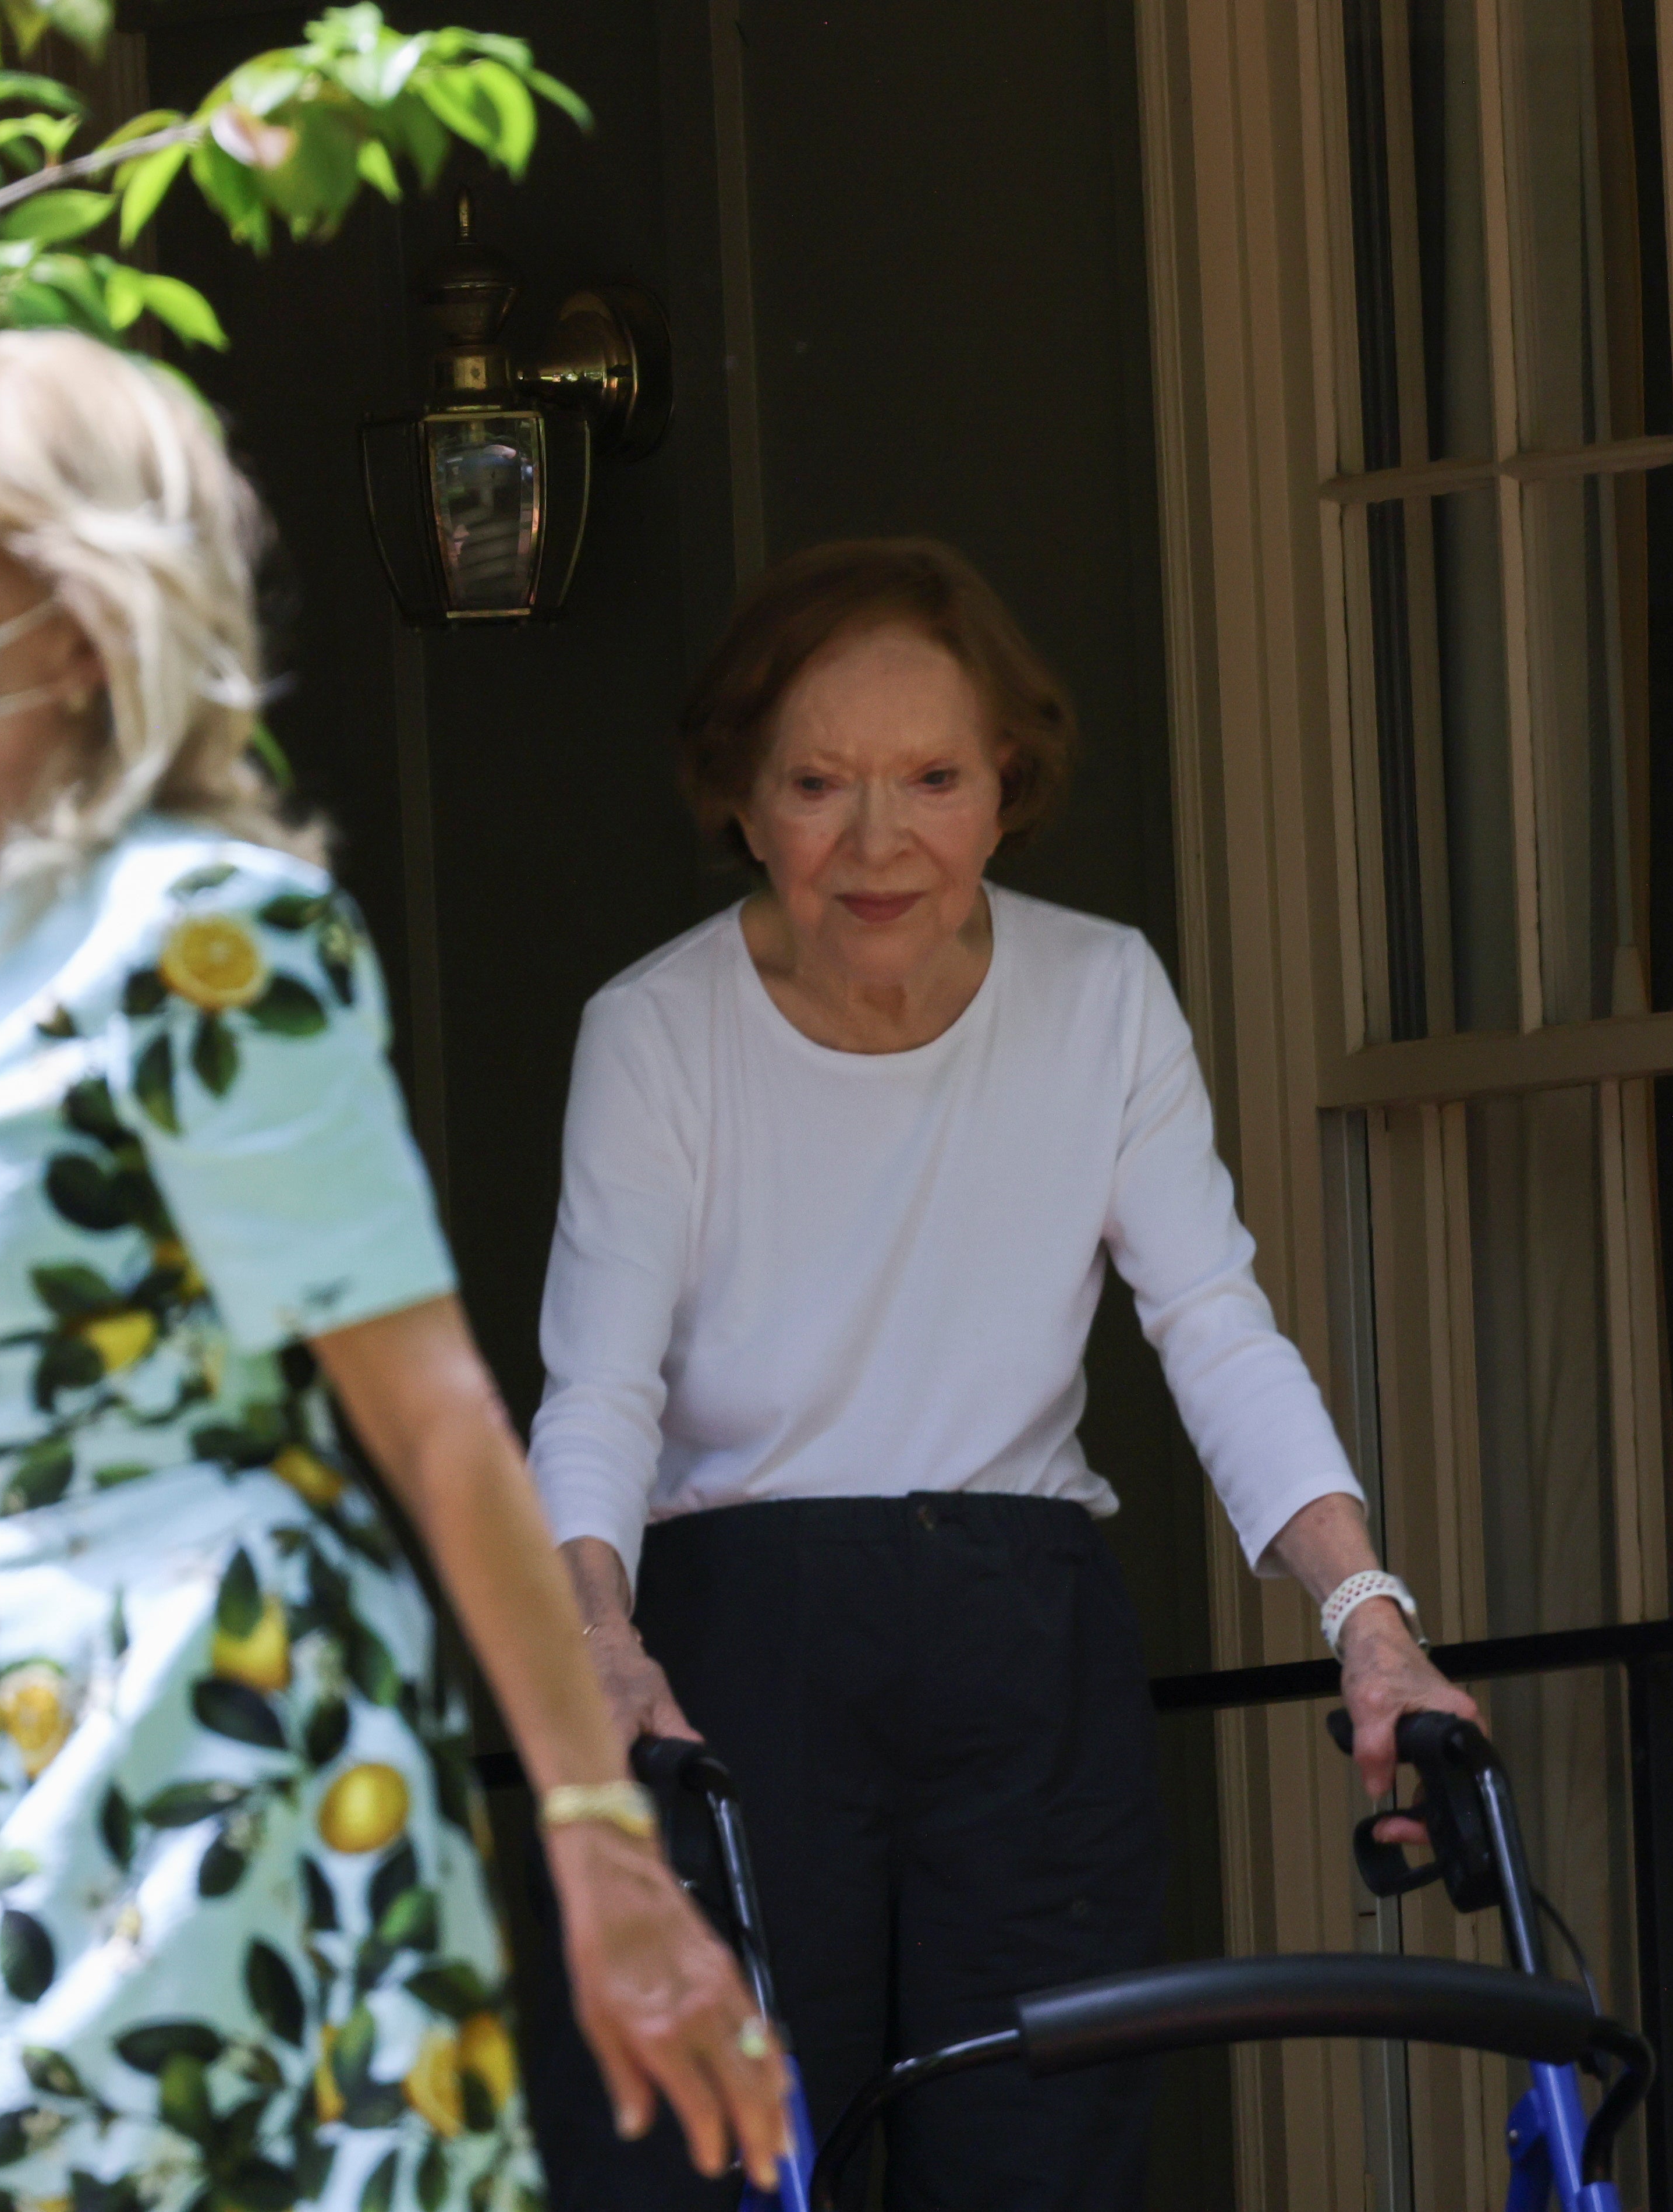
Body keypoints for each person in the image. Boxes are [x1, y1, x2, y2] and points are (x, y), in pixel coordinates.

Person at [0, 331, 792, 2212]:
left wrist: (593, 1840)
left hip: (234, 1768)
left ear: (71, 625)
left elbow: (437, 1425)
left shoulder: (210, 945)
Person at [528, 537, 1476, 2210]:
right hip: (739, 1659)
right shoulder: (655, 1030)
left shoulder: (1099, 992)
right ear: (740, 801)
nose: (877, 841)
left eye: (932, 779)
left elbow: (1213, 1321)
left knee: (1041, 2168)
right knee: (709, 2170)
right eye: (817, 783)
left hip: (1026, 1657)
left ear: (1007, 784)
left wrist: (1369, 1626)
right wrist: (597, 1642)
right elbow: (597, 1383)